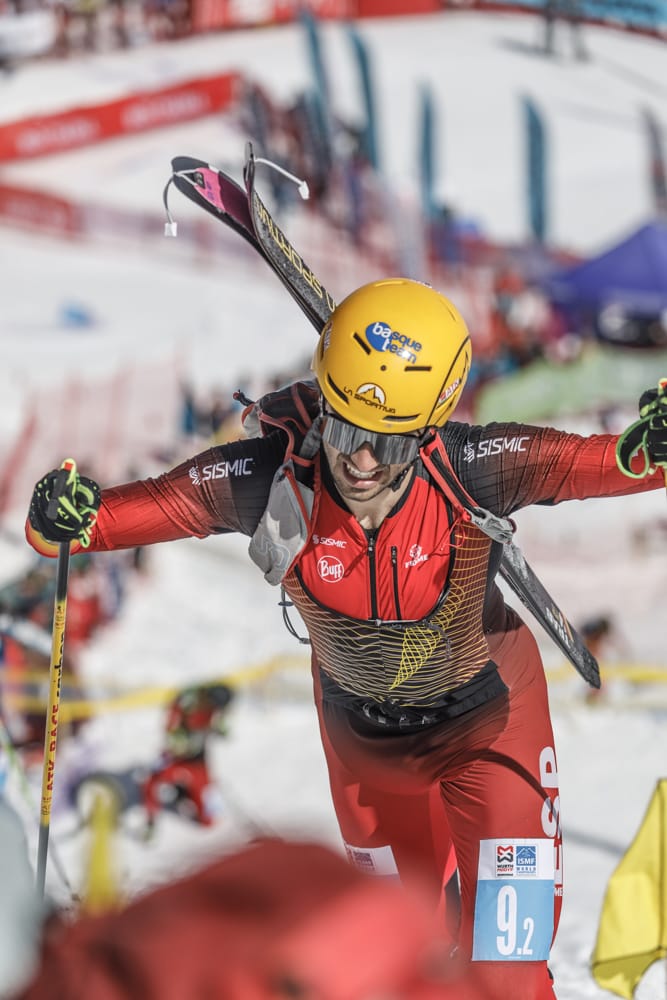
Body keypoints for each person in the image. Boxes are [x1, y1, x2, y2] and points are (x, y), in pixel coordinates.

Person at [25, 278, 667, 999]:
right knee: (381, 968)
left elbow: (614, 462)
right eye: (342, 430)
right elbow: (94, 526)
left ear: (424, 432)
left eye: (384, 444)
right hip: (367, 758)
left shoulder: (471, 467)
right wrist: (65, 515)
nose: (359, 462)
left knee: (506, 973)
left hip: (490, 734)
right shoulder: (265, 480)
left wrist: (652, 446)